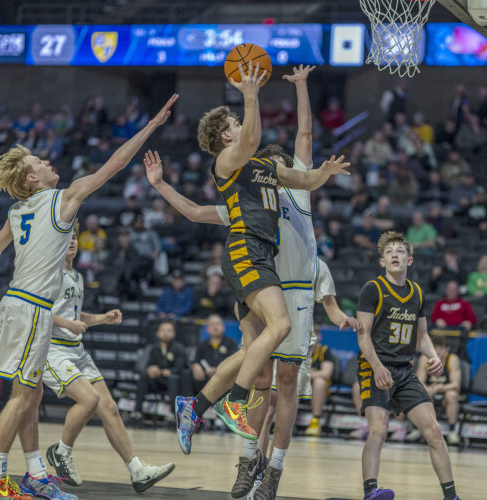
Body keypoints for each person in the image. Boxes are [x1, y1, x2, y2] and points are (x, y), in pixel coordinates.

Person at [144, 65, 357, 500]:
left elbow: (306, 172)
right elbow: (199, 209)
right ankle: (236, 412)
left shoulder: (275, 180)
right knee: (263, 363)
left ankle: (198, 407)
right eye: (236, 125)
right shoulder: (231, 165)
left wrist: (326, 171)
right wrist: (250, 93)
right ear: (227, 136)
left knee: (262, 364)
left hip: (275, 277)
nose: (244, 130)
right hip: (254, 263)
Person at [0, 93, 178, 500]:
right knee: (21, 396)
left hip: (22, 305)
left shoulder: (17, 211)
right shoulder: (62, 199)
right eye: (40, 163)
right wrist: (151, 127)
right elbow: (114, 164)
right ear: (32, 179)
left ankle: (35, 473)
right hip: (31, 307)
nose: (48, 162)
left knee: (32, 394)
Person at [43, 222, 174, 492]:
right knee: (89, 400)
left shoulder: (77, 277)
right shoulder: (50, 272)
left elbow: (74, 315)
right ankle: (61, 451)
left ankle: (137, 471)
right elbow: (39, 312)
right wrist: (69, 324)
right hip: (53, 349)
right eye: (66, 237)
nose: (72, 241)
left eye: (75, 237)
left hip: (76, 350)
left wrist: (103, 318)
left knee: (110, 408)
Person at [356, 231, 460, 500]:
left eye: (400, 251)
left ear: (409, 260)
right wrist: (377, 367)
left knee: (434, 430)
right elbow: (363, 335)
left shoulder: (417, 293)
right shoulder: (372, 289)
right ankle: (371, 492)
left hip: (404, 369)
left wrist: (433, 357)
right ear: (382, 261)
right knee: (379, 429)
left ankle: (451, 496)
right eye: (389, 251)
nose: (394, 255)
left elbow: (422, 336)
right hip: (375, 366)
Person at [133, 320, 187, 419]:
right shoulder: (153, 348)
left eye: (169, 330)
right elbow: (145, 365)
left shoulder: (179, 348)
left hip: (172, 381)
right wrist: (149, 369)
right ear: (157, 333)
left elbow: (181, 367)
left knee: (173, 379)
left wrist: (165, 372)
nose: (166, 333)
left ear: (174, 334)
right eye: (163, 330)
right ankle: (137, 411)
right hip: (156, 379)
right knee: (144, 377)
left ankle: (173, 413)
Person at [414, 336, 462, 446]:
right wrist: (427, 389)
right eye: (435, 348)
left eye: (441, 348)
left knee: (452, 395)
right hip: (430, 392)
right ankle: (419, 430)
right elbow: (419, 382)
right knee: (421, 393)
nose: (438, 351)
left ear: (447, 349)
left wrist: (439, 388)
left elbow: (456, 384)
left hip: (445, 392)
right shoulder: (425, 358)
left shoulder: (452, 359)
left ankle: (452, 431)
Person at [190, 314, 238, 392]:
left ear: (223, 327)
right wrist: (194, 365)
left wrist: (218, 370)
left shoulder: (231, 343)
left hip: (225, 378)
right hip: (205, 378)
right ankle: (191, 399)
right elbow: (196, 360)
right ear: (207, 329)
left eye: (218, 324)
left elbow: (235, 362)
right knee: (187, 374)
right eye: (212, 324)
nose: (215, 327)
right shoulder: (202, 345)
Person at [303, 326, 336, 437]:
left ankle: (315, 421)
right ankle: (282, 420)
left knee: (320, 382)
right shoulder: (300, 350)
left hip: (317, 388)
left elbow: (326, 373)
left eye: (314, 334)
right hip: (301, 384)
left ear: (319, 336)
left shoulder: (324, 351)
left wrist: (308, 374)